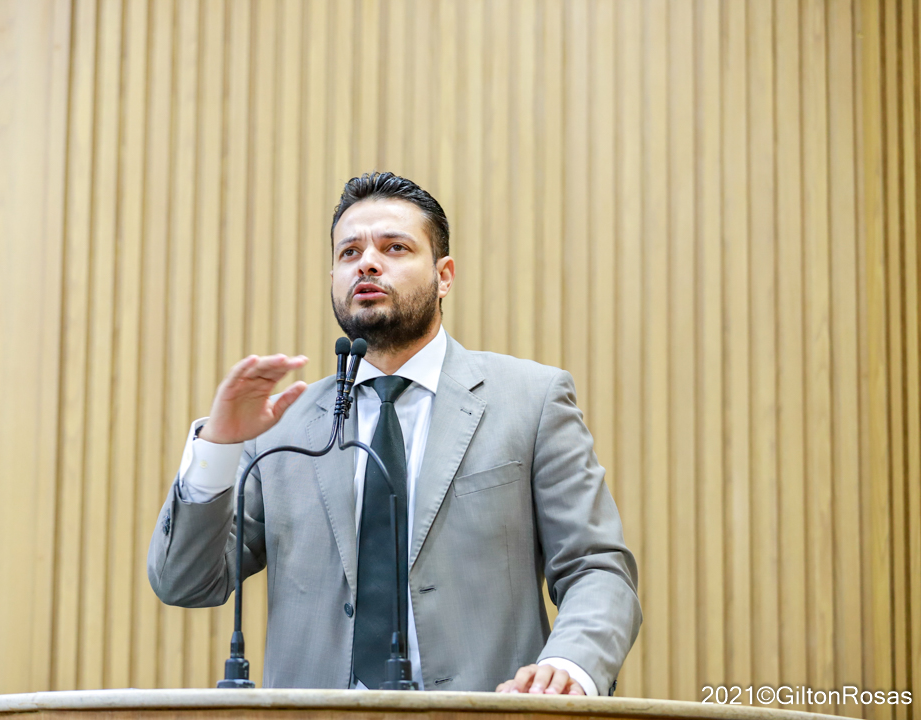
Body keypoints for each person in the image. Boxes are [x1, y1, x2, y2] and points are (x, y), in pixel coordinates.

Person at [148, 172, 641, 695]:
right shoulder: (280, 426)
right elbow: (186, 582)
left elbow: (596, 566)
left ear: (444, 275)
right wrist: (219, 446)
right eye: (349, 252)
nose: (366, 263)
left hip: (488, 713)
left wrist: (571, 665)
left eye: (394, 247)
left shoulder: (531, 400)